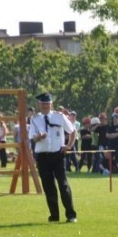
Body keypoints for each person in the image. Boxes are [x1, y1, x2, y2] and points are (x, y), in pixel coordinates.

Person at [29, 93, 77, 223]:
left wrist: (69, 146)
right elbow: (32, 137)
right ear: (39, 105)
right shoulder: (35, 119)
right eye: (43, 104)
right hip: (43, 156)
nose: (45, 106)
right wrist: (39, 137)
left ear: (51, 104)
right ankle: (54, 215)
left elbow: (72, 131)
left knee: (63, 184)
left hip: (57, 155)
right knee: (48, 186)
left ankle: (71, 214)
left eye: (47, 104)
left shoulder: (59, 117)